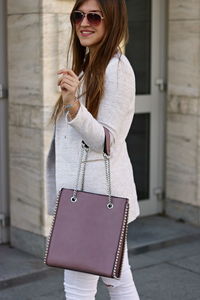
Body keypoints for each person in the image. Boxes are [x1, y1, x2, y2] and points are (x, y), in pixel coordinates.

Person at [46, 0, 140, 299]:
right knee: (118, 279)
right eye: (78, 15)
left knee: (78, 288)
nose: (84, 23)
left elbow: (107, 140)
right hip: (92, 197)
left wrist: (73, 103)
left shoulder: (117, 69)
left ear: (112, 21)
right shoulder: (89, 64)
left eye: (94, 17)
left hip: (94, 200)